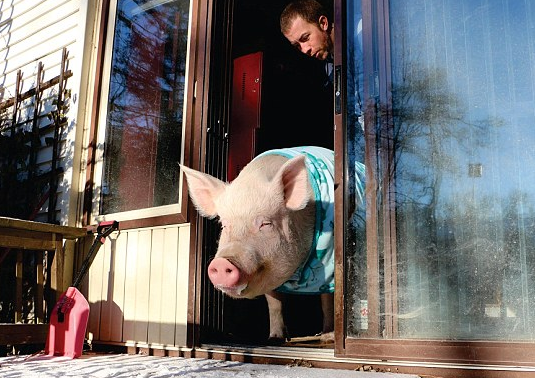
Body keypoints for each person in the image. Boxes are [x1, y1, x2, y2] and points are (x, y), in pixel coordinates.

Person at [280, 0, 334, 85]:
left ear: (323, 23)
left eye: (305, 38)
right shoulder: (329, 67)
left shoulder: (359, 36)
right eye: (297, 45)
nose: (304, 50)